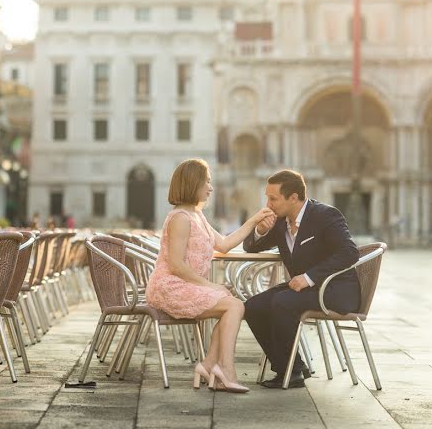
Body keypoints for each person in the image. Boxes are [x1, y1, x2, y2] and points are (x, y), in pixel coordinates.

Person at [146, 158, 274, 394]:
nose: (211, 188)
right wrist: (210, 285)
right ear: (193, 183)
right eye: (207, 182)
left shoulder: (197, 216)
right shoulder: (180, 219)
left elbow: (224, 244)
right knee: (234, 306)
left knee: (233, 306)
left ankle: (208, 366)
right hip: (170, 286)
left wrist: (254, 220)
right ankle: (223, 370)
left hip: (186, 284)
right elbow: (175, 264)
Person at [243, 169, 360, 389]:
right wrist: (259, 229)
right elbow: (251, 246)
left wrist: (308, 278)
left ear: (293, 197)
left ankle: (291, 372)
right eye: (267, 197)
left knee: (282, 303)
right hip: (303, 291)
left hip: (335, 290)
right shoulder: (279, 222)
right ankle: (293, 366)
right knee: (252, 306)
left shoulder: (326, 215)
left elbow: (349, 252)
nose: (268, 204)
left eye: (273, 198)